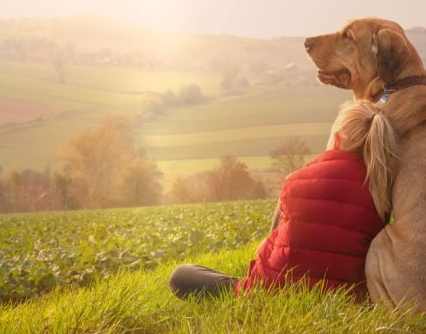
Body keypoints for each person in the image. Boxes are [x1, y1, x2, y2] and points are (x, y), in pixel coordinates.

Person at [169, 100, 398, 300]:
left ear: (337, 139)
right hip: (344, 300)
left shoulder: (296, 179)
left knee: (182, 275)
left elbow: (274, 246)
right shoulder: (384, 191)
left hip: (268, 293)